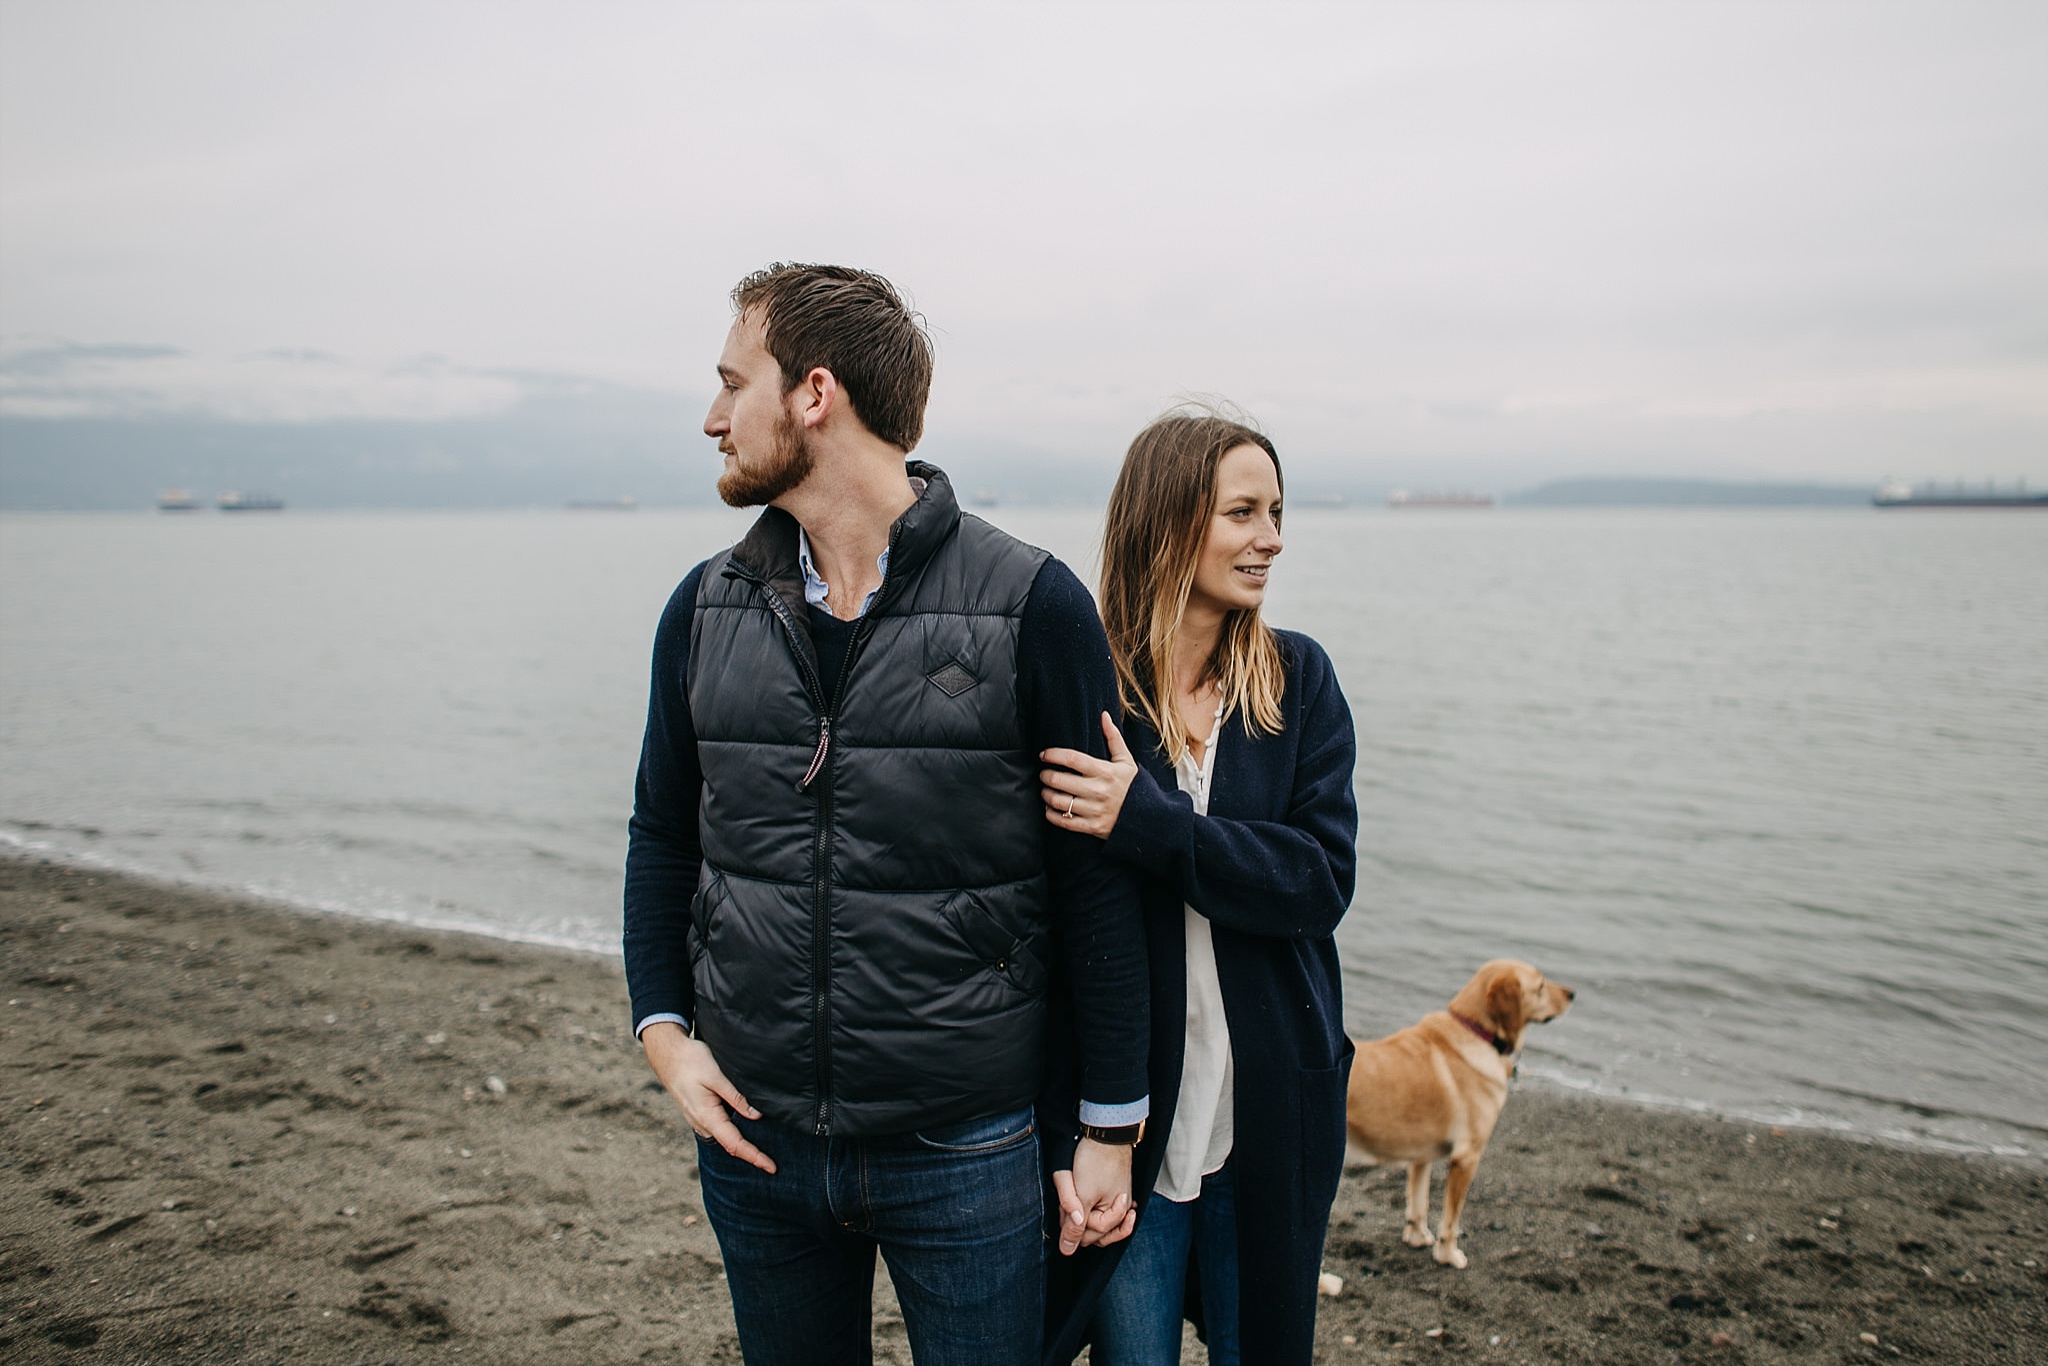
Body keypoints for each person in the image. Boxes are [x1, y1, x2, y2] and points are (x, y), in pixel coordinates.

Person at [622, 262, 1150, 1366]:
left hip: (964, 1148)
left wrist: (1108, 1128)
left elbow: (1095, 880)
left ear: (815, 394)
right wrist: (662, 1031)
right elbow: (663, 833)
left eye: (732, 383)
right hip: (756, 1143)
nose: (712, 418)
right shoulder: (701, 609)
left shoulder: (1030, 603)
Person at [1038, 408, 1358, 1365]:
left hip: (1270, 1113)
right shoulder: (1090, 694)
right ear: (1169, 520)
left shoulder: (1299, 682)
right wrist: (1068, 1126)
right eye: (1243, 513)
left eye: (1276, 513)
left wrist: (1153, 824)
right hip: (1130, 1122)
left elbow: (1318, 880)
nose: (1271, 539)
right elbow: (1052, 926)